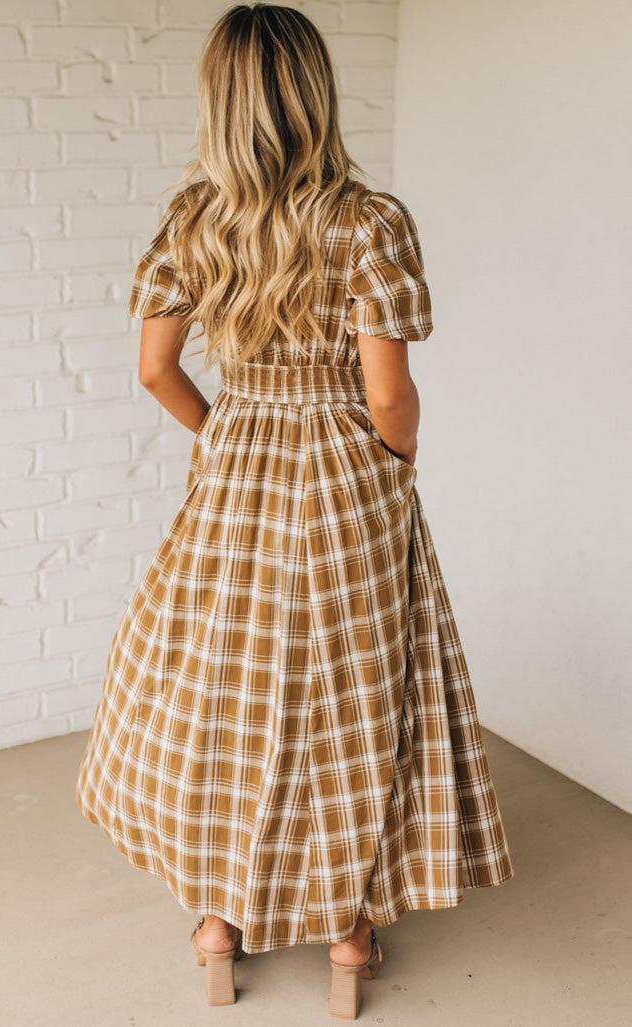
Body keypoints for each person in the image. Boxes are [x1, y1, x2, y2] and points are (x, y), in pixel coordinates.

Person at [75, 3, 514, 1019]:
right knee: (349, 695)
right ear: (314, 91)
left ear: (219, 101)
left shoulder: (194, 217)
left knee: (227, 691)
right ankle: (349, 935)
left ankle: (221, 922)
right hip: (348, 476)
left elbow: (153, 369)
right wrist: (387, 465)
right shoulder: (367, 220)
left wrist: (227, 435)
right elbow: (390, 393)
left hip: (238, 464)